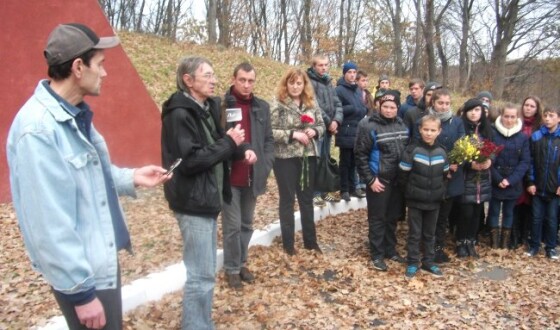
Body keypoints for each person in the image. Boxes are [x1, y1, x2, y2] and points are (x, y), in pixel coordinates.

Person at [6, 23, 169, 330]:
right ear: (78, 67)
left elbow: (88, 177)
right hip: (83, 275)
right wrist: (81, 294)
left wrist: (131, 177)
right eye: (101, 65)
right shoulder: (39, 130)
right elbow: (48, 224)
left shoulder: (73, 112)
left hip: (98, 261)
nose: (105, 74)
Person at [161, 56, 250, 329]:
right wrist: (228, 143)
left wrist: (239, 150)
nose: (214, 80)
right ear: (188, 80)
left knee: (205, 273)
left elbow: (217, 143)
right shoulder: (179, 114)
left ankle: (201, 323)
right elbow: (190, 161)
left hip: (208, 200)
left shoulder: (206, 106)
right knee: (200, 276)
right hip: (192, 201)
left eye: (213, 75)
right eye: (207, 75)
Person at [221, 62, 274, 289]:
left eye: (250, 80)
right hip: (230, 176)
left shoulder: (261, 107)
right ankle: (232, 268)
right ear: (234, 79)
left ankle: (242, 262)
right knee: (232, 226)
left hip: (253, 176)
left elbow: (269, 140)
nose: (246, 85)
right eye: (242, 80)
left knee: (247, 224)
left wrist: (265, 163)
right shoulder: (221, 105)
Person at [270, 68, 325, 255]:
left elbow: (321, 125)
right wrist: (293, 134)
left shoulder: (310, 102)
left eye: (299, 83)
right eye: (292, 83)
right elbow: (270, 131)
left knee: (306, 200)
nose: (295, 87)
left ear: (304, 85)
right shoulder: (278, 103)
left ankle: (311, 242)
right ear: (286, 84)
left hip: (307, 156)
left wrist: (315, 132)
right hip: (285, 158)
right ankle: (288, 244)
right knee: (287, 200)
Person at [355, 91, 409, 271]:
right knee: (377, 218)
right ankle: (377, 254)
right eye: (385, 106)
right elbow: (360, 155)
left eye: (392, 107)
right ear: (379, 106)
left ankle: (390, 250)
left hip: (397, 181)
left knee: (392, 217)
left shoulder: (402, 125)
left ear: (398, 108)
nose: (388, 110)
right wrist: (370, 180)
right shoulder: (368, 125)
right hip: (379, 180)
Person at [413, 89, 465, 263]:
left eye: (447, 103)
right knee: (426, 217)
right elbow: (416, 145)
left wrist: (455, 164)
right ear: (432, 103)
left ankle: (438, 249)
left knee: (442, 217)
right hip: (427, 176)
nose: (444, 106)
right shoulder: (423, 121)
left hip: (451, 177)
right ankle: (423, 248)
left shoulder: (457, 122)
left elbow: (462, 146)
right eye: (440, 103)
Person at [399, 115, 449, 278]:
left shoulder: (442, 152)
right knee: (414, 233)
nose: (429, 133)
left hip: (434, 201)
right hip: (415, 200)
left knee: (430, 233)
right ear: (420, 130)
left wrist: (439, 192)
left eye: (432, 130)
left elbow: (444, 175)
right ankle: (413, 262)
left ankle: (429, 261)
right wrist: (410, 193)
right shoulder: (412, 150)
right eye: (426, 129)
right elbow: (403, 175)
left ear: (439, 131)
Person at [488, 104, 530, 249]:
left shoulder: (523, 137)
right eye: (507, 116)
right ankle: (493, 243)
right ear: (502, 116)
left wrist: (510, 180)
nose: (509, 120)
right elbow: (488, 158)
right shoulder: (493, 134)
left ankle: (504, 244)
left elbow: (525, 162)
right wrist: (498, 179)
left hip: (513, 182)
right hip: (495, 180)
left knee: (508, 212)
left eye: (513, 117)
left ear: (517, 117)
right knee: (493, 211)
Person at [456, 98, 493, 258]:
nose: (474, 113)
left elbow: (494, 150)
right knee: (466, 212)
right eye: (471, 110)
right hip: (465, 177)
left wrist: (489, 160)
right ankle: (461, 241)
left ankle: (471, 241)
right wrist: (469, 164)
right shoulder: (461, 128)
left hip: (483, 178)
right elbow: (455, 152)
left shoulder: (487, 130)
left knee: (477, 212)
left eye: (477, 110)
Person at [306, 54, 343, 205]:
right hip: (316, 127)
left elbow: (338, 104)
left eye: (326, 65)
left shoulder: (329, 82)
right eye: (320, 65)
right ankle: (314, 192)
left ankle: (324, 190)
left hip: (329, 128)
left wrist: (336, 120)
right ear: (314, 66)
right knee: (316, 159)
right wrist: (329, 122)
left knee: (326, 159)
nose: (324, 68)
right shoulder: (309, 82)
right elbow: (314, 105)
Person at [525, 106, 560, 260]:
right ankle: (534, 246)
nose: (547, 119)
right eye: (545, 115)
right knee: (536, 218)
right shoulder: (536, 137)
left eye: (551, 115)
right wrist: (530, 181)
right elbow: (531, 161)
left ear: (558, 118)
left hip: (554, 189)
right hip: (538, 187)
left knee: (552, 219)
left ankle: (551, 248)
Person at [511, 96, 544, 248]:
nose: (528, 108)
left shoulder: (540, 127)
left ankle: (526, 234)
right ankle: (514, 234)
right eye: (526, 105)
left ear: (537, 109)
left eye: (532, 106)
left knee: (530, 201)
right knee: (516, 200)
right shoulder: (516, 123)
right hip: (516, 166)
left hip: (534, 167)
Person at [335, 61, 368, 202]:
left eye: (354, 72)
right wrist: (352, 109)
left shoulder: (358, 90)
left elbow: (361, 107)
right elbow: (336, 109)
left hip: (358, 130)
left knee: (355, 161)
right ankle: (344, 189)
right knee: (345, 161)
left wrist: (362, 110)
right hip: (345, 130)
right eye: (349, 72)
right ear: (344, 74)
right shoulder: (339, 90)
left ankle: (353, 188)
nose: (352, 75)